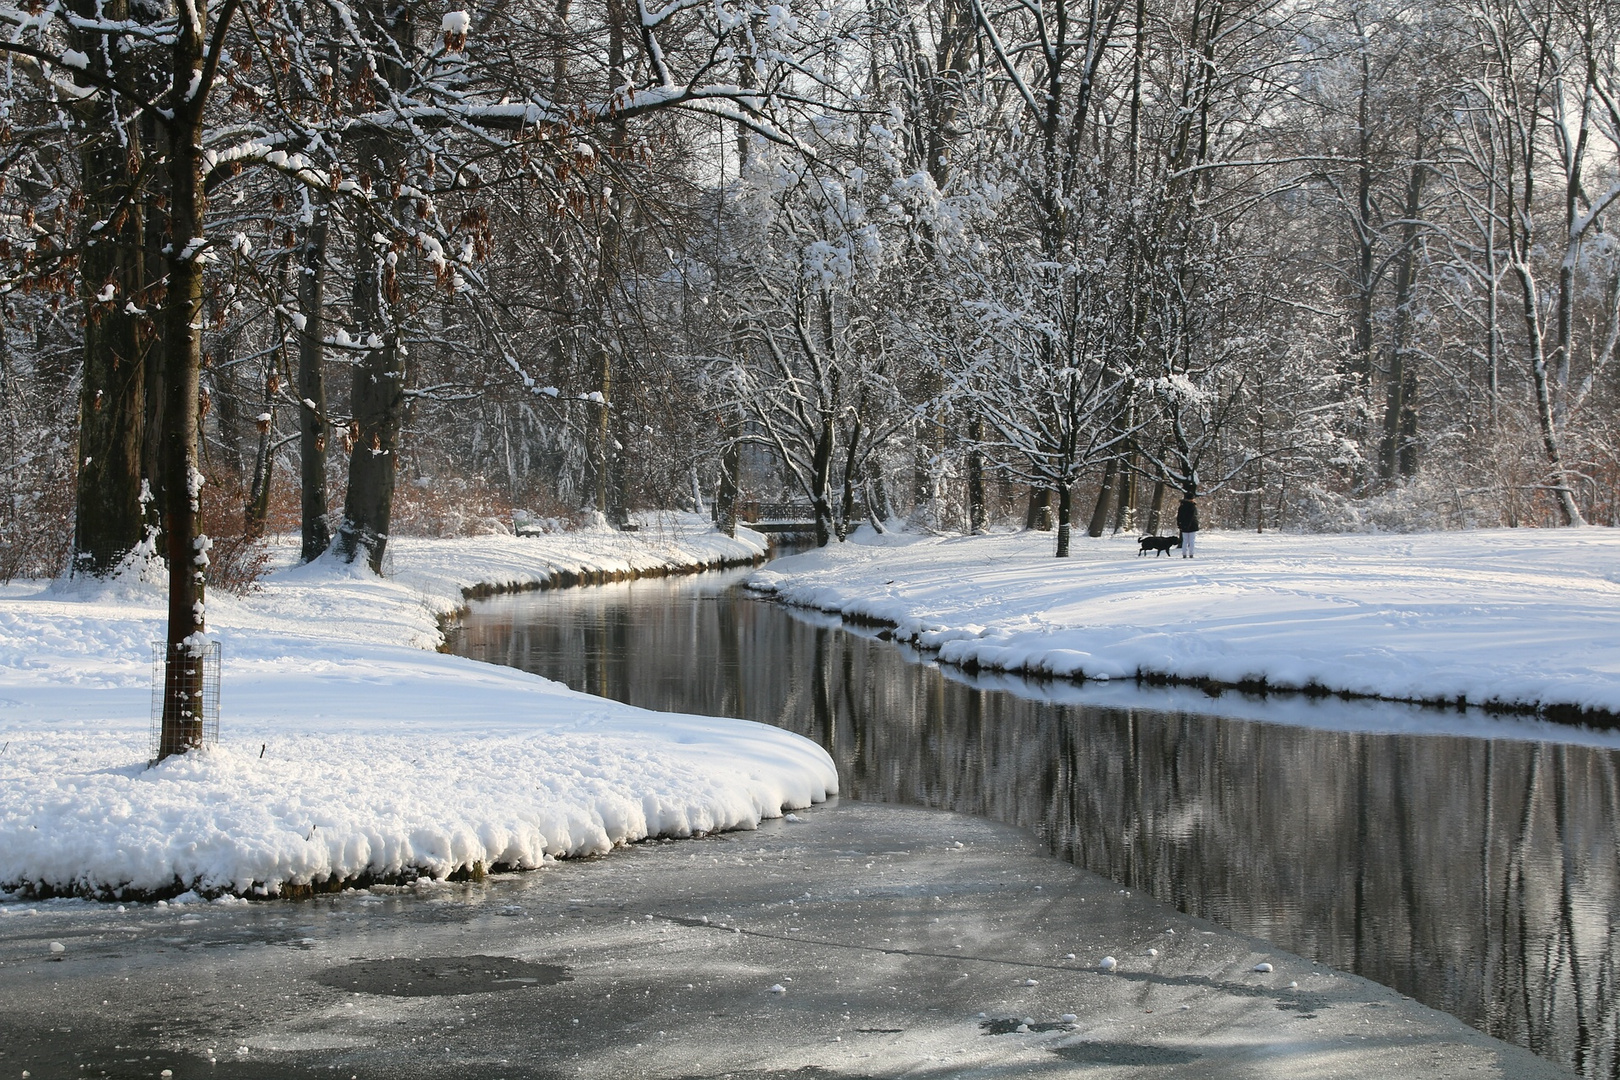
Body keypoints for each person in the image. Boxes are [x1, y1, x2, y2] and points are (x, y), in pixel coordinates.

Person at [1176, 490, 1200, 558]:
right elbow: (1192, 517)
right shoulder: (1192, 506)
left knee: (1185, 541)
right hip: (1192, 526)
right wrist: (1189, 524)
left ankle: (1184, 554)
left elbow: (1179, 516)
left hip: (1183, 526)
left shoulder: (1181, 506)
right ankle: (1191, 554)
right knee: (1191, 541)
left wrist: (1179, 524)